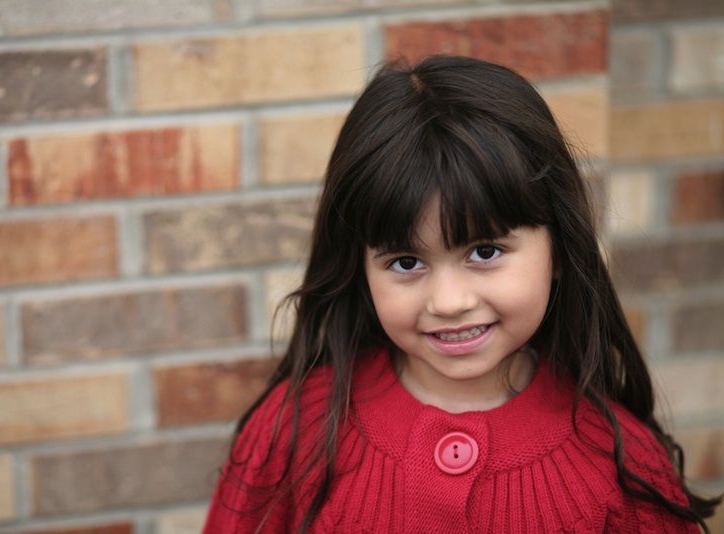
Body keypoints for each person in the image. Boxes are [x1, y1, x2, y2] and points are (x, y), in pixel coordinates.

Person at [203, 55, 720, 533]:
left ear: (559, 249)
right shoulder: (293, 432)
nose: (448, 302)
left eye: (485, 251)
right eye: (406, 262)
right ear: (360, 269)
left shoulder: (626, 471)